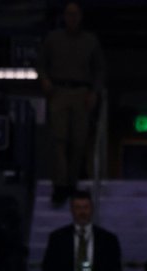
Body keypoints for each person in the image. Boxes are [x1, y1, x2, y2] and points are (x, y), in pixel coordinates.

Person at [37, 2, 105, 206]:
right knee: (59, 139)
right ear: (64, 16)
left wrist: (94, 92)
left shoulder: (90, 41)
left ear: (81, 16)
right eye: (68, 14)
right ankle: (60, 184)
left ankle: (71, 183)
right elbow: (40, 63)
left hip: (81, 91)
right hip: (59, 90)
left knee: (78, 141)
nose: (72, 18)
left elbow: (100, 69)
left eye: (75, 14)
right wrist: (45, 80)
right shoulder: (53, 39)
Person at [41, 190, 123, 271]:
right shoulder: (57, 239)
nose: (82, 212)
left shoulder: (108, 240)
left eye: (85, 207)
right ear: (72, 210)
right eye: (78, 208)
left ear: (92, 209)